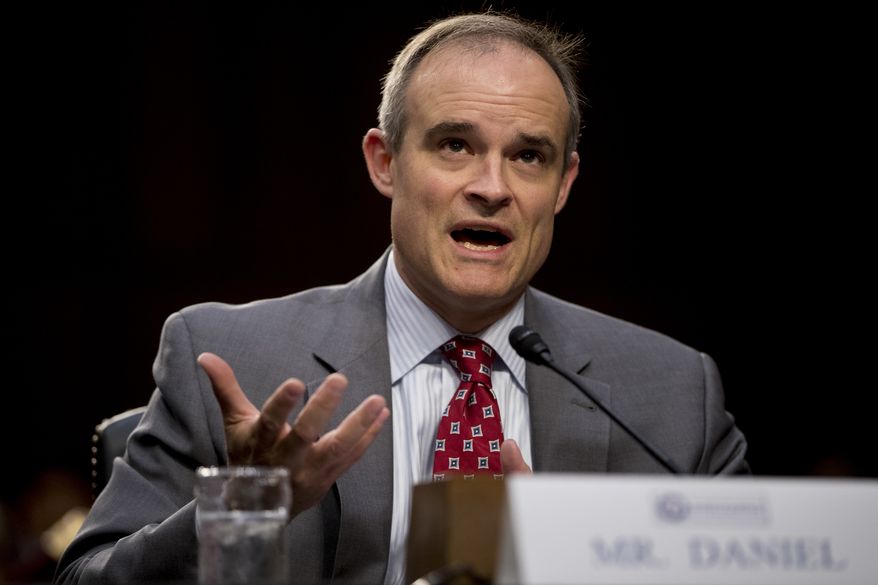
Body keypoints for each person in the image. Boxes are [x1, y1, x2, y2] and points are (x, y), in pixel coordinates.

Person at [54, 9, 749, 585]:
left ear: (563, 185)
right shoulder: (230, 357)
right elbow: (85, 577)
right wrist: (245, 508)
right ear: (384, 162)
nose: (492, 186)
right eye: (454, 145)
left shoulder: (670, 395)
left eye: (528, 156)